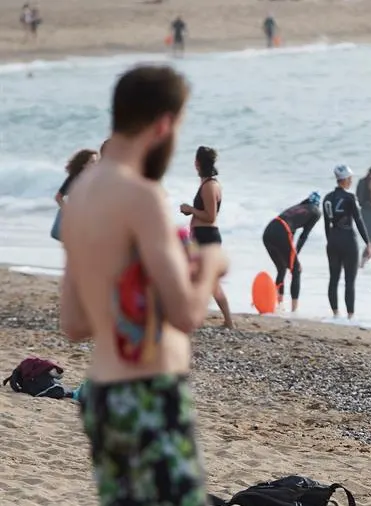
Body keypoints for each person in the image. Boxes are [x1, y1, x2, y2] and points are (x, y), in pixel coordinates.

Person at [59, 64, 228, 506]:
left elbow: (74, 322)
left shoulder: (81, 197)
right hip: (150, 394)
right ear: (165, 124)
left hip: (103, 398)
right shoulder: (143, 196)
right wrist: (210, 265)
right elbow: (186, 313)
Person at [179, 146, 234, 329]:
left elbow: (210, 216)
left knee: (210, 281)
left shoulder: (210, 185)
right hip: (201, 235)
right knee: (196, 277)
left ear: (197, 163)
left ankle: (228, 320)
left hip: (207, 236)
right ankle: (198, 317)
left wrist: (190, 209)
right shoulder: (207, 184)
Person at [323, 164, 371, 320]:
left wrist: (330, 240)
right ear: (345, 180)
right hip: (348, 240)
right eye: (350, 178)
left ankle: (335, 313)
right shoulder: (350, 198)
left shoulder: (327, 198)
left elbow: (326, 225)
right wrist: (368, 243)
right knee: (349, 280)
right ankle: (350, 315)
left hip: (332, 240)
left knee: (333, 278)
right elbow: (358, 221)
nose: (351, 181)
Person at [262, 192, 322, 312]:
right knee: (297, 270)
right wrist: (296, 257)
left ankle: (279, 305)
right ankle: (294, 310)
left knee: (282, 268)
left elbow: (292, 233)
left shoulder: (297, 208)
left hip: (269, 231)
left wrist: (292, 256)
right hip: (282, 230)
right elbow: (304, 236)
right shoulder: (315, 211)